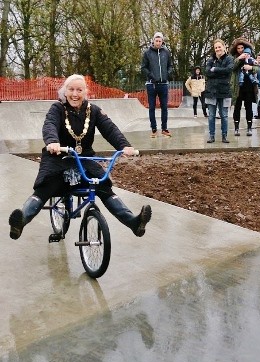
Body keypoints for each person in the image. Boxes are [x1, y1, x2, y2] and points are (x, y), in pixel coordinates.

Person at [8, 74, 152, 240]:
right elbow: (50, 125)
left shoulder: (94, 111)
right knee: (46, 187)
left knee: (103, 186)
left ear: (85, 92)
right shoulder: (57, 109)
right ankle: (20, 221)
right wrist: (53, 142)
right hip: (58, 159)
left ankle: (134, 223)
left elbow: (110, 129)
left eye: (79, 90)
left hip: (84, 160)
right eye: (71, 89)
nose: (75, 94)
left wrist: (124, 146)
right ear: (65, 91)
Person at [141, 32, 173, 138]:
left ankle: (164, 128)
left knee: (164, 107)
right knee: (152, 107)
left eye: (160, 41)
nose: (158, 43)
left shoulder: (166, 52)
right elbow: (143, 67)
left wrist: (167, 74)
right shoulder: (147, 53)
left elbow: (170, 66)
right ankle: (154, 129)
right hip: (151, 85)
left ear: (162, 41)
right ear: (153, 41)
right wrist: (151, 76)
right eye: (156, 41)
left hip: (163, 84)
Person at [204, 39, 234, 143]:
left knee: (224, 115)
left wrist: (215, 70)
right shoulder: (210, 60)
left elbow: (229, 70)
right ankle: (211, 135)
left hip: (224, 91)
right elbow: (207, 72)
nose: (218, 49)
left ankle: (224, 136)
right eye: (216, 47)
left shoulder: (229, 59)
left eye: (219, 47)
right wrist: (220, 72)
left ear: (224, 47)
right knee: (211, 115)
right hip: (211, 91)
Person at [230, 38, 259, 136]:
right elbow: (232, 68)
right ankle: (236, 128)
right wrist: (239, 59)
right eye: (238, 48)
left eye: (242, 47)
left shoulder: (251, 55)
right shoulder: (234, 57)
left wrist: (251, 68)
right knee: (237, 107)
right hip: (237, 86)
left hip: (249, 85)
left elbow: (258, 68)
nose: (240, 50)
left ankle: (249, 128)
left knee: (248, 107)